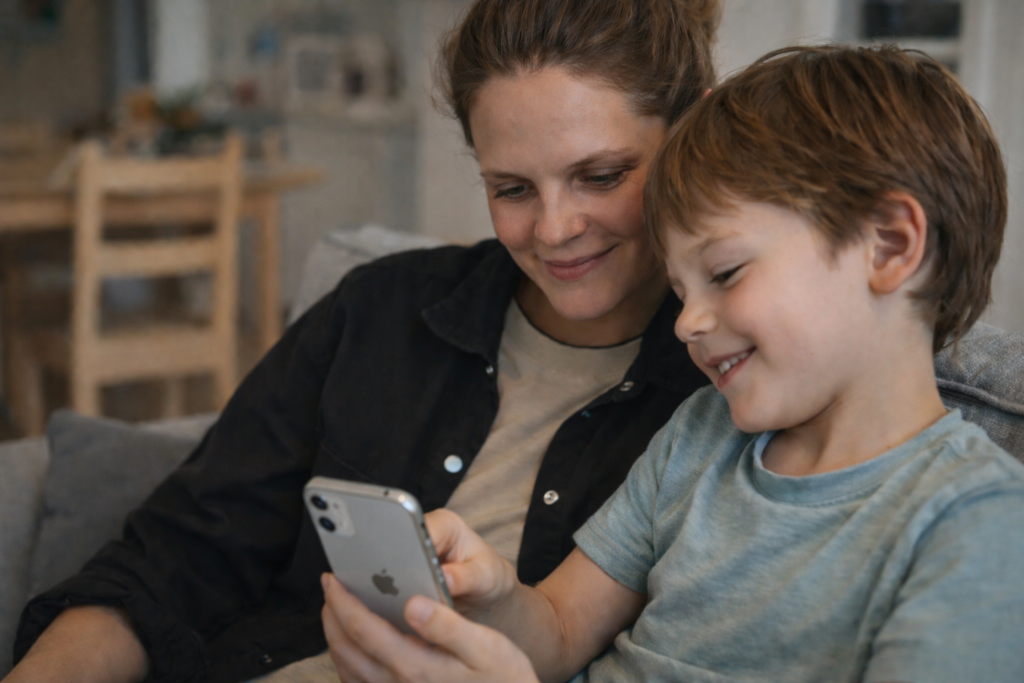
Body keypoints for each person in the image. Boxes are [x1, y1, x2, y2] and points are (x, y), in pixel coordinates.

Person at [6, 1, 719, 682]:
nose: (555, 228)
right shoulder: (381, 312)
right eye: (512, 189)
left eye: (600, 176)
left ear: (691, 134)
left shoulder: (727, 388)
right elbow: (176, 556)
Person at [321, 45, 1024, 682]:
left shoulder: (975, 523)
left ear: (890, 245)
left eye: (724, 272)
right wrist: (498, 596)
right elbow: (561, 630)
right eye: (682, 289)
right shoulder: (702, 436)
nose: (687, 322)